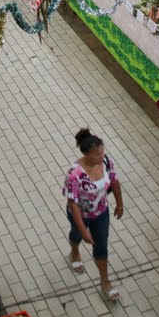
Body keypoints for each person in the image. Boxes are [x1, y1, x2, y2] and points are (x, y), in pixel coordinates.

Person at [63, 128, 124, 303]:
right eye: (96, 154)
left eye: (102, 151)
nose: (101, 155)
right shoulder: (75, 174)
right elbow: (72, 202)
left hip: (101, 213)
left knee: (101, 246)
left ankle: (105, 281)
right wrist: (82, 229)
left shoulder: (105, 161)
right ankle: (74, 252)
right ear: (86, 155)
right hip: (80, 215)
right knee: (75, 235)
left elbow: (114, 181)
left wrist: (119, 204)